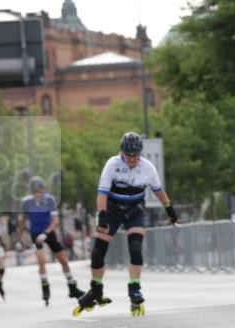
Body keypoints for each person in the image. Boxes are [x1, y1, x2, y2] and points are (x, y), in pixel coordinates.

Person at [74, 131, 177, 317]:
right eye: (128, 155)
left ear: (139, 153)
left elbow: (159, 191)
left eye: (135, 155)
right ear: (121, 152)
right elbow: (102, 193)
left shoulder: (147, 168)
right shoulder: (112, 164)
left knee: (136, 248)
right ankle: (96, 289)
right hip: (112, 211)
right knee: (98, 252)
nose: (131, 159)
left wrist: (170, 210)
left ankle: (134, 288)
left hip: (134, 211)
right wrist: (102, 216)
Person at [17, 177, 84, 306]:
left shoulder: (50, 200)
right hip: (36, 234)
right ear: (31, 191)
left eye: (40, 191)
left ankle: (72, 286)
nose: (38, 194)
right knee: (42, 261)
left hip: (49, 231)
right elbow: (22, 221)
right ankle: (45, 287)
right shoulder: (26, 202)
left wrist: (46, 233)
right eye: (36, 191)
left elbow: (55, 221)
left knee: (63, 260)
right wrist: (19, 239)